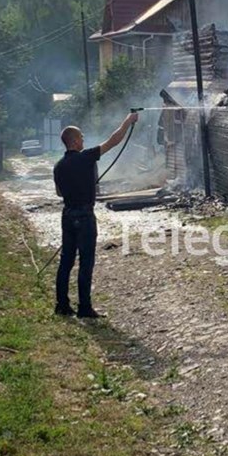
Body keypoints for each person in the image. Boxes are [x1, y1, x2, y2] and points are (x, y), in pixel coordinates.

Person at [53, 112, 138, 318]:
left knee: (66, 261)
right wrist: (128, 120)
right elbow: (114, 141)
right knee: (86, 262)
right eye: (81, 137)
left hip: (67, 215)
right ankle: (84, 308)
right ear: (74, 141)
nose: (83, 139)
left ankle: (62, 305)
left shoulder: (58, 166)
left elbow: (59, 192)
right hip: (85, 216)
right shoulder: (86, 157)